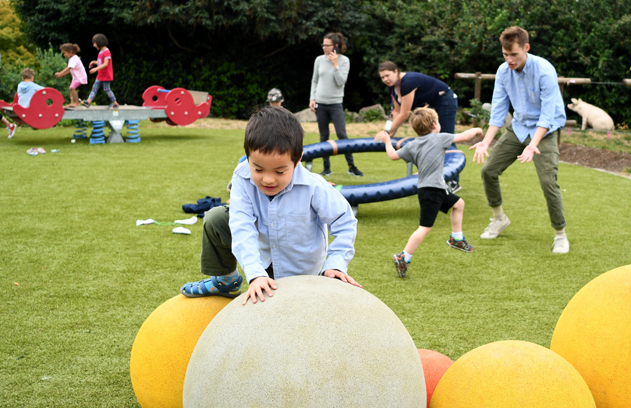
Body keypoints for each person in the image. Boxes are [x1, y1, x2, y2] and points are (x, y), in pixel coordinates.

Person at [180, 106, 362, 304]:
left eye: (280, 171)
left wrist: (335, 265)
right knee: (217, 217)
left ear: (298, 159)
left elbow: (344, 222)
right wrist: (255, 275)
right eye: (258, 168)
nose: (268, 180)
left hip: (301, 272)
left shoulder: (314, 186)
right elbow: (241, 224)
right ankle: (226, 281)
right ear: (248, 156)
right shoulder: (242, 176)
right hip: (263, 260)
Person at [470, 26, 569, 254]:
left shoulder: (544, 70)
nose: (509, 60)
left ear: (526, 48)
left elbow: (547, 113)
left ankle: (560, 234)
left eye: (513, 54)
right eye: (505, 55)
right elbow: (499, 108)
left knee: (548, 182)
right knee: (488, 171)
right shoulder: (503, 71)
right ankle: (499, 219)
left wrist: (534, 144)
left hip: (544, 132)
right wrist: (486, 141)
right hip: (519, 128)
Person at [380, 106, 483, 278]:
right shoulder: (440, 138)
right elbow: (465, 136)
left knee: (459, 204)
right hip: (433, 190)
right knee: (424, 227)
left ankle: (456, 238)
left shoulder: (412, 144)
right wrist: (478, 129)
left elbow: (392, 155)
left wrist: (386, 141)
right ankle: (403, 256)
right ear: (435, 124)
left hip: (433, 188)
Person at [309, 32, 363, 177]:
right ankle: (326, 169)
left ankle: (351, 167)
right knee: (323, 136)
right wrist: (312, 98)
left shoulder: (344, 61)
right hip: (320, 103)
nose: (324, 47)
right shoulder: (319, 60)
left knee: (341, 134)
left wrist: (335, 64)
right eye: (323, 45)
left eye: (327, 45)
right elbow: (314, 80)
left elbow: (341, 82)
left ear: (336, 46)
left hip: (336, 104)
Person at [374, 61, 458, 141]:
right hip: (431, 106)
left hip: (445, 99)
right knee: (430, 138)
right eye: (382, 77)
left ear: (396, 71)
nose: (385, 79)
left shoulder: (408, 82)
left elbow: (404, 114)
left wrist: (386, 131)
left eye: (387, 75)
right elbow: (397, 111)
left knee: (446, 137)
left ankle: (452, 153)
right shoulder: (392, 87)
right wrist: (391, 133)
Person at [83, 33, 119, 108]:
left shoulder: (106, 51)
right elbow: (101, 62)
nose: (93, 45)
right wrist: (94, 62)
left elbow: (106, 64)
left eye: (94, 43)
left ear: (99, 42)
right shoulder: (101, 52)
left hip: (106, 74)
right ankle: (88, 102)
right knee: (94, 87)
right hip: (100, 74)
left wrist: (96, 69)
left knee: (106, 89)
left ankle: (115, 103)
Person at [54, 43, 87, 107]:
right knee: (71, 88)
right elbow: (70, 70)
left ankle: (77, 103)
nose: (64, 55)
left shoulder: (75, 58)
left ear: (70, 52)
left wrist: (60, 73)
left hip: (80, 77)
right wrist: (61, 75)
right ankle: (72, 102)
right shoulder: (72, 59)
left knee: (72, 88)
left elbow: (69, 68)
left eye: (65, 53)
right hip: (76, 78)